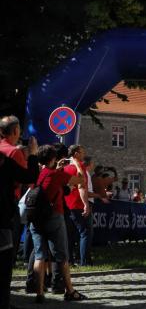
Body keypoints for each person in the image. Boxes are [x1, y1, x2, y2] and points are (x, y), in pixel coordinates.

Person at [30, 144, 87, 302]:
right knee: (62, 255)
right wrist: (76, 164)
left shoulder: (38, 174)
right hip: (54, 216)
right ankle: (70, 291)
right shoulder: (56, 175)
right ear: (53, 158)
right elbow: (81, 180)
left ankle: (39, 293)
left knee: (40, 256)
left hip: (36, 217)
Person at [0, 116, 39, 309]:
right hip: (5, 208)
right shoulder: (12, 153)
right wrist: (33, 154)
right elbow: (28, 178)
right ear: (15, 131)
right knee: (6, 257)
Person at [63, 145, 91, 267]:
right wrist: (86, 204)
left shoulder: (65, 168)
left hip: (66, 204)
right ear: (75, 154)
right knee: (85, 232)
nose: (83, 154)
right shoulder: (80, 167)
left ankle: (69, 261)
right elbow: (82, 187)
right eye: (82, 152)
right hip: (77, 204)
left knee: (69, 234)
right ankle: (84, 262)